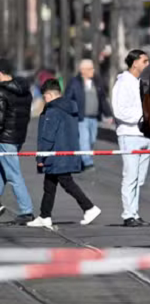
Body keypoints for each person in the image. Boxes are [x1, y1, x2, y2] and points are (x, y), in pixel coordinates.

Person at [28, 79, 101, 228]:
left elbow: (47, 135)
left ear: (49, 95)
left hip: (56, 154)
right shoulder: (71, 108)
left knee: (67, 182)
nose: (44, 100)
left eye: (44, 97)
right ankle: (44, 215)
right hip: (67, 151)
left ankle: (89, 207)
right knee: (49, 184)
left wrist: (41, 156)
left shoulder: (52, 110)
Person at [111, 50, 150, 227]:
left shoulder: (142, 82)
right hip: (129, 134)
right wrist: (143, 116)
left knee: (140, 178)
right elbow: (119, 111)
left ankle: (134, 212)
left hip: (145, 135)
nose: (147, 64)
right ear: (135, 63)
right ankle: (128, 214)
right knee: (130, 176)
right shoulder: (122, 83)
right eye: (145, 61)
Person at [0, 59, 35, 224]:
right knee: (2, 172)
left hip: (4, 138)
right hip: (17, 137)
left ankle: (26, 210)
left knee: (13, 174)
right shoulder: (24, 90)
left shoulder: (1, 92)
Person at [65, 59, 113, 170]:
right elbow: (68, 99)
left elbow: (102, 99)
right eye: (90, 69)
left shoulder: (97, 82)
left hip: (94, 117)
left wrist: (109, 114)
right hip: (81, 118)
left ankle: (83, 158)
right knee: (84, 139)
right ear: (83, 71)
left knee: (91, 140)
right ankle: (87, 162)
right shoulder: (74, 83)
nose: (93, 71)